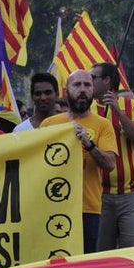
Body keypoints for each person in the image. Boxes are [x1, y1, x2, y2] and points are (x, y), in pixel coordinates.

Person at [40, 70, 117, 253]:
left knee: (86, 264)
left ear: (93, 91)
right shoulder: (48, 125)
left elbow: (110, 164)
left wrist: (89, 144)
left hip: (88, 208)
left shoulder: (103, 124)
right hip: (52, 206)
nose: (82, 90)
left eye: (87, 85)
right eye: (77, 85)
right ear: (66, 91)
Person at [90, 62, 134, 249]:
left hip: (131, 193)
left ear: (107, 80)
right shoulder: (86, 109)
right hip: (97, 195)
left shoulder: (131, 106)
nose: (88, 81)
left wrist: (118, 111)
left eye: (92, 78)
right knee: (100, 252)